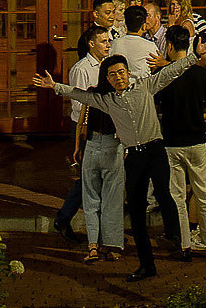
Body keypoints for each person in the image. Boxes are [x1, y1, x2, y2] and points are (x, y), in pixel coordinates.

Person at [35, 46, 195, 280]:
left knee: (163, 191)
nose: (118, 77)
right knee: (137, 212)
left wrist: (194, 56)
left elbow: (171, 72)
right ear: (107, 79)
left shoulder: (145, 86)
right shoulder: (108, 101)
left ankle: (175, 235)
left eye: (121, 72)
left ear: (128, 72)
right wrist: (55, 87)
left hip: (155, 149)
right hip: (134, 156)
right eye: (112, 74)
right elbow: (81, 95)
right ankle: (146, 265)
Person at [154, 26, 206, 260]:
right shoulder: (202, 74)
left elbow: (157, 109)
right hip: (197, 140)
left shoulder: (164, 77)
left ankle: (185, 245)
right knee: (204, 193)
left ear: (170, 46)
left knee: (178, 196)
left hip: (172, 142)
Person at [71, 29, 125, 263]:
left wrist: (77, 146)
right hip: (113, 147)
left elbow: (81, 122)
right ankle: (112, 246)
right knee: (112, 200)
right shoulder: (119, 97)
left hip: (92, 145)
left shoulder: (93, 94)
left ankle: (92, 245)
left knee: (90, 198)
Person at [51, 25, 98, 242]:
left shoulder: (105, 65)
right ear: (91, 44)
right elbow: (79, 103)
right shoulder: (82, 69)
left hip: (101, 128)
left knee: (97, 179)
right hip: (85, 128)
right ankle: (64, 217)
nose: (109, 45)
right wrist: (83, 131)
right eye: (105, 41)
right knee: (87, 179)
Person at [116, 4, 159, 80]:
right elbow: (156, 68)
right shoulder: (150, 46)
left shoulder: (113, 44)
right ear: (143, 26)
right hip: (142, 88)